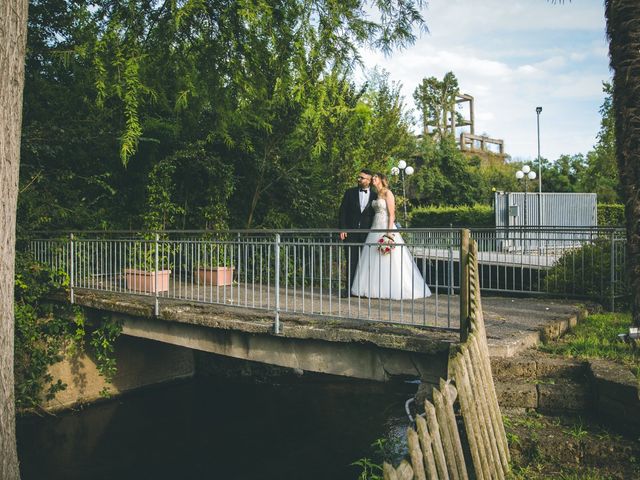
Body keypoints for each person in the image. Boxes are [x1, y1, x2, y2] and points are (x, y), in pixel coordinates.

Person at [350, 173, 431, 299]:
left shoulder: (388, 193)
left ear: (381, 179)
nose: (373, 180)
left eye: (375, 178)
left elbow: (392, 214)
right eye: (373, 178)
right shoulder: (376, 194)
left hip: (385, 227)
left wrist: (388, 233)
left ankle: (393, 288)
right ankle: (373, 288)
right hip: (375, 227)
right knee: (373, 257)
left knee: (389, 259)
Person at [339, 169, 378, 296]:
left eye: (362, 178)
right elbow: (342, 211)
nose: (359, 179)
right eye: (359, 177)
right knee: (351, 261)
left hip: (368, 234)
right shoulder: (349, 193)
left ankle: (363, 290)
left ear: (369, 181)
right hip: (351, 233)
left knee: (366, 263)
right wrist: (343, 228)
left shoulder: (375, 195)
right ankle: (349, 290)